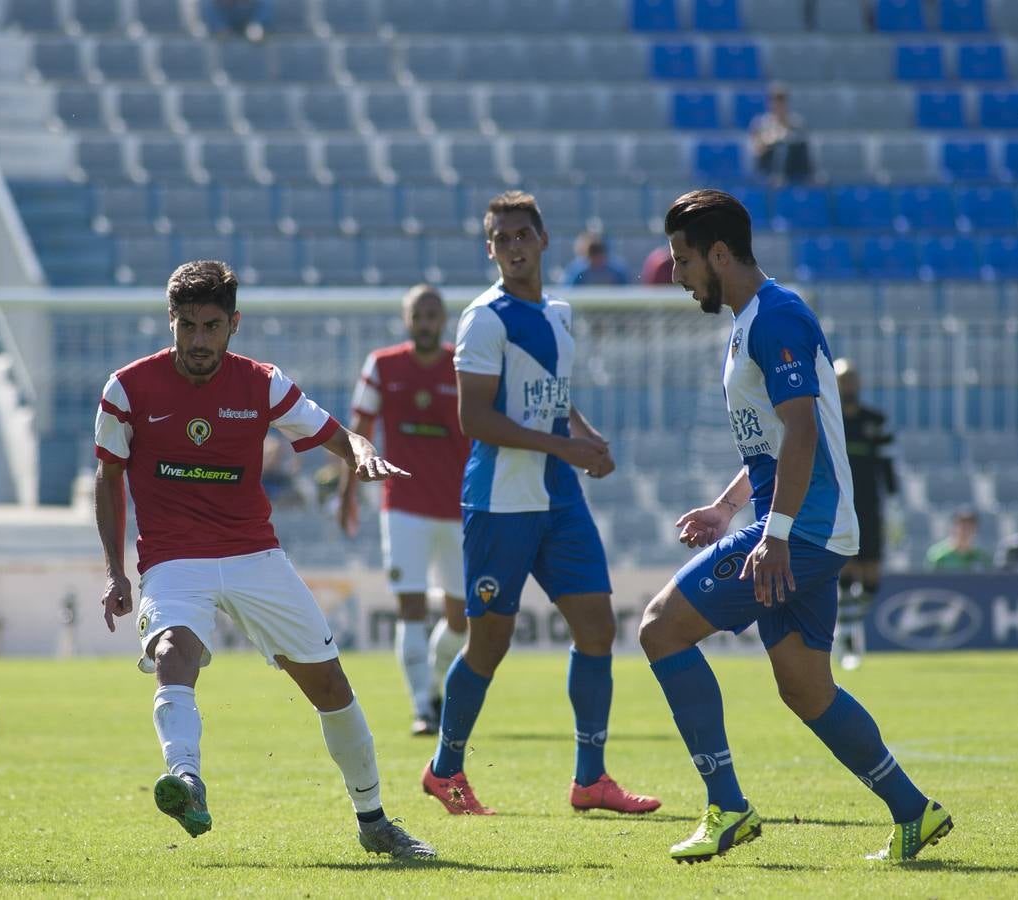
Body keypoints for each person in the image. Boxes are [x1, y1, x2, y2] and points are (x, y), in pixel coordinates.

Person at [638, 189, 951, 864]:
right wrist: (728, 505)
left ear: (719, 254)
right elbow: (775, 440)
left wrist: (772, 534)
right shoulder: (756, 316)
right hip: (803, 525)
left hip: (800, 532)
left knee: (660, 629)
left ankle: (726, 807)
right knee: (804, 687)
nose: (676, 273)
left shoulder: (774, 317)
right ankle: (912, 811)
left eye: (682, 258)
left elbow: (804, 431)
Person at [94, 260, 435, 860]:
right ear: (170, 321)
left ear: (234, 325)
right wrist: (115, 572)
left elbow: (334, 432)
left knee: (330, 685)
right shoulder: (127, 389)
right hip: (174, 560)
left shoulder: (261, 383)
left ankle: (375, 821)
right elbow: (108, 476)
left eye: (212, 326)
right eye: (188, 326)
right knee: (175, 650)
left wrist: (361, 451)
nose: (199, 341)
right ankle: (188, 779)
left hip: (255, 555)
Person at [420, 190, 660, 817]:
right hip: (500, 501)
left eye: (522, 234)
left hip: (558, 498)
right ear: (489, 249)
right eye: (500, 238)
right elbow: (476, 419)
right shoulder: (483, 319)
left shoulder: (559, 312)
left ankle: (590, 779)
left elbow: (552, 395)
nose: (513, 247)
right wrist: (566, 443)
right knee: (488, 645)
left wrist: (582, 437)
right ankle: (445, 771)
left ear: (544, 240)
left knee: (598, 628)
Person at [338, 284, 470, 737]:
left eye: (434, 314)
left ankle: (432, 680)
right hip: (403, 508)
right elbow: (358, 429)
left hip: (458, 510)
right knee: (410, 607)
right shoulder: (383, 364)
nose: (427, 322)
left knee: (461, 618)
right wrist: (346, 494)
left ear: (444, 319)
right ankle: (422, 707)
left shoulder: (463, 365)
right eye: (419, 314)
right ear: (407, 319)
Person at [834, 358, 898, 670]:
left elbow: (887, 462)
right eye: (842, 379)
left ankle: (846, 625)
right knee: (846, 572)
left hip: (871, 505)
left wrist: (895, 501)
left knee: (871, 579)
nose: (847, 385)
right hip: (840, 504)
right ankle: (847, 637)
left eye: (851, 379)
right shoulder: (828, 419)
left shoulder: (876, 419)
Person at [749, 84, 812, 184]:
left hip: (793, 164)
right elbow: (757, 149)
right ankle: (778, 177)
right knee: (781, 147)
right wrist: (773, 139)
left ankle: (810, 176)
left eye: (782, 100)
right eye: (774, 100)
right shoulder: (760, 123)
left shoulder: (796, 122)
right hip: (768, 164)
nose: (778, 104)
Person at [926, 507, 991, 571]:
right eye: (963, 527)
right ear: (953, 528)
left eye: (970, 527)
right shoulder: (938, 556)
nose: (966, 531)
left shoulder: (982, 558)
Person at [562, 231, 628, 287]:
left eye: (600, 255)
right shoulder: (577, 271)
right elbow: (569, 291)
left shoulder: (617, 271)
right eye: (594, 256)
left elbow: (626, 290)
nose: (598, 260)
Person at [202, 0, 272, 41]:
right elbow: (220, 33)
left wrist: (258, 26)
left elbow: (266, 6)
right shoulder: (210, 4)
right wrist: (219, 28)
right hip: (224, 46)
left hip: (256, 40)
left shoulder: (264, 3)